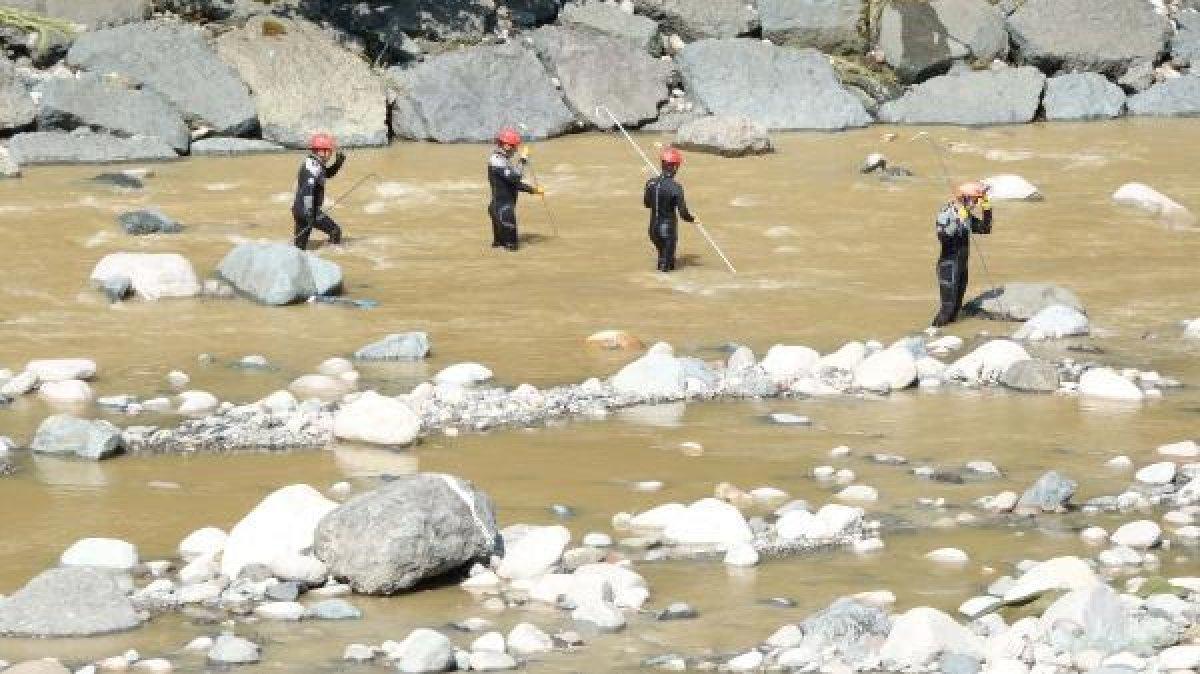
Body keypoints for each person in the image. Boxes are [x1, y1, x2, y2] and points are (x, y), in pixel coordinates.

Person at [932, 181, 993, 327]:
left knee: (956, 310)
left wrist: (987, 208)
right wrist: (958, 219)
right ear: (965, 198)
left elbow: (985, 229)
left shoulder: (967, 215)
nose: (977, 202)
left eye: (979, 200)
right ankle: (931, 335)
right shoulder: (947, 212)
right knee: (947, 309)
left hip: (961, 267)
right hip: (948, 267)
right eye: (976, 199)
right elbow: (943, 237)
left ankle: (947, 338)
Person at [487, 127, 543, 251]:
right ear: (506, 146)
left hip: (498, 208)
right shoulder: (497, 162)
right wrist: (523, 161)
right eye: (515, 146)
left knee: (498, 247)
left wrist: (532, 190)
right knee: (512, 249)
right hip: (504, 211)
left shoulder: (501, 160)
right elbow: (515, 178)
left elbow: (512, 184)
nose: (516, 149)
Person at [643, 147, 695, 272]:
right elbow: (683, 213)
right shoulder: (676, 187)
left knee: (664, 260)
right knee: (665, 268)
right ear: (675, 167)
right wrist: (692, 219)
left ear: (662, 164)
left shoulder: (650, 183)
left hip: (653, 231)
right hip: (667, 232)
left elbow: (647, 204)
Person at [292, 132, 345, 250]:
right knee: (335, 231)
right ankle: (334, 256)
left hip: (300, 209)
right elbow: (308, 190)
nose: (330, 154)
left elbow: (326, 174)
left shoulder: (315, 163)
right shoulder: (313, 167)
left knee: (299, 248)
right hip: (308, 210)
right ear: (321, 151)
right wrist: (310, 214)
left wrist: (337, 164)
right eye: (329, 151)